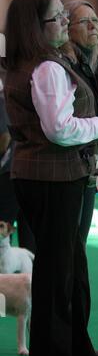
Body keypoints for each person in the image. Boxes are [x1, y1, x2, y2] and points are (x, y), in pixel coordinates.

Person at [3, 0, 98, 356]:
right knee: (56, 279)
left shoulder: (26, 64)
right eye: (58, 18)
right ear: (37, 26)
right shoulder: (48, 68)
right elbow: (61, 130)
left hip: (40, 176)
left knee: (57, 274)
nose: (65, 23)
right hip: (54, 178)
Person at [60, 0, 98, 246]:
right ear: (67, 28)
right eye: (84, 21)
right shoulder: (63, 67)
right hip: (64, 171)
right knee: (65, 248)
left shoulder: (94, 69)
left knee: (78, 246)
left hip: (88, 167)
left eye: (96, 20)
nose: (93, 26)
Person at [0, 78, 35, 252]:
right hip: (29, 168)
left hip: (9, 173)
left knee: (3, 225)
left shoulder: (2, 99)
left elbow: (4, 138)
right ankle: (33, 276)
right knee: (29, 231)